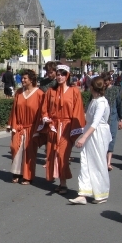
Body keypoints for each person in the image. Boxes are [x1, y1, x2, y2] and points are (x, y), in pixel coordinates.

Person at [37, 64, 86, 194]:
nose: (60, 77)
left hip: (67, 127)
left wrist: (74, 129)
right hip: (54, 126)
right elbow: (44, 109)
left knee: (63, 154)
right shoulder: (50, 92)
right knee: (53, 153)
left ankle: (63, 183)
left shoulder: (74, 91)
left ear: (67, 75)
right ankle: (60, 182)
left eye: (62, 74)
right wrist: (47, 120)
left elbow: (78, 109)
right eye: (58, 74)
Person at [69, 77, 111, 205]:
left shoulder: (101, 103)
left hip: (98, 135)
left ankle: (101, 192)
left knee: (98, 163)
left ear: (92, 87)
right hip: (90, 132)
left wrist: (83, 137)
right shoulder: (94, 101)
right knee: (86, 161)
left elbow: (96, 123)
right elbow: (88, 119)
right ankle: (83, 193)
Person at [6, 69, 43, 184]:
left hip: (32, 127)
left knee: (29, 152)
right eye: (22, 78)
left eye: (24, 78)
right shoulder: (18, 92)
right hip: (19, 126)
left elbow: (42, 112)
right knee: (15, 148)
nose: (22, 80)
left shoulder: (39, 94)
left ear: (31, 80)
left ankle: (27, 176)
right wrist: (11, 124)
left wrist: (39, 128)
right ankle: (17, 173)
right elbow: (14, 110)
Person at [102, 73, 122, 171]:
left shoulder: (115, 90)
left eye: (106, 81)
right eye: (103, 81)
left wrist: (121, 119)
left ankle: (108, 162)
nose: (105, 83)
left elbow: (119, 105)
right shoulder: (100, 90)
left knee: (111, 139)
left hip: (113, 118)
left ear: (110, 81)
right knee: (102, 141)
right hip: (102, 120)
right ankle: (102, 161)